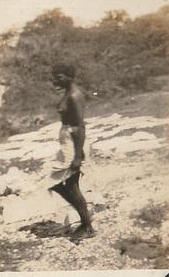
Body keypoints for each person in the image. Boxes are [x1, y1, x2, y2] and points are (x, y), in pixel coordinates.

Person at [49, 62, 95, 239]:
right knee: (58, 183)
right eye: (54, 76)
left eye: (59, 76)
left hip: (73, 143)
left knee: (71, 185)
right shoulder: (68, 94)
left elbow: (80, 127)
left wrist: (77, 156)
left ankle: (87, 226)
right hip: (68, 142)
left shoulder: (74, 96)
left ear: (70, 76)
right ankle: (85, 218)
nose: (54, 80)